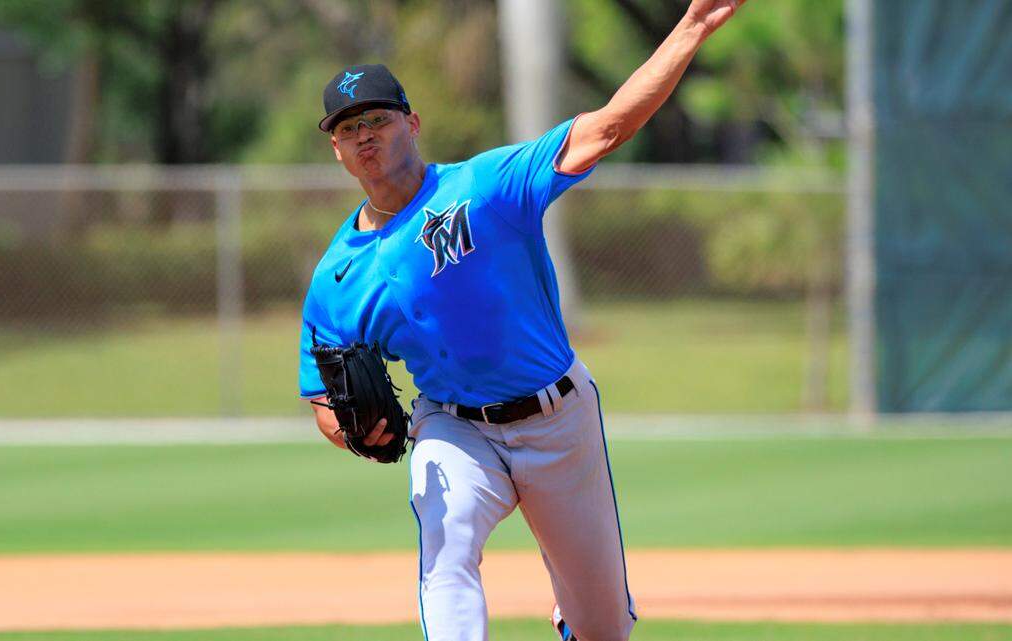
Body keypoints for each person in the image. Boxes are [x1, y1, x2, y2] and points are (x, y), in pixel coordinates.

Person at [299, 2, 748, 639]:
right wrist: (351, 431)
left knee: (603, 629)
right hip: (455, 428)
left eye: (378, 117)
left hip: (559, 419)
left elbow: (608, 128)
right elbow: (322, 395)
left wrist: (694, 25)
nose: (365, 135)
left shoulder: (485, 187)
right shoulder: (335, 278)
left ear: (413, 123)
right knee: (446, 542)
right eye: (348, 128)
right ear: (337, 150)